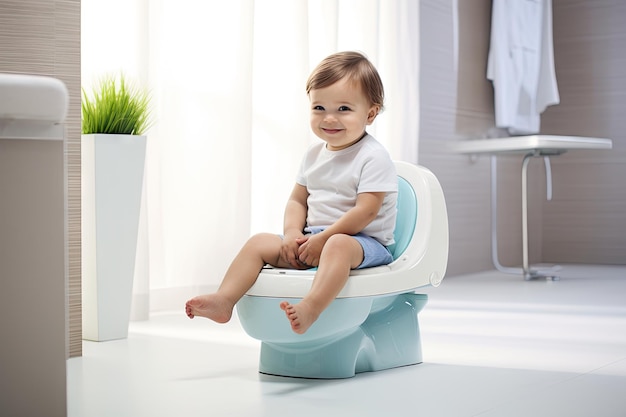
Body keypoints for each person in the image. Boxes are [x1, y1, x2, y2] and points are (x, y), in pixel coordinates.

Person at [185, 51, 397, 335]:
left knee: (337, 245)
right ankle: (225, 300)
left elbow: (366, 211)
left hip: (362, 244)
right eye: (319, 108)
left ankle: (311, 307)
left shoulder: (373, 156)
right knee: (259, 242)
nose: (329, 118)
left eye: (344, 109)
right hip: (314, 240)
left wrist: (324, 239)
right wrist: (291, 234)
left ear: (370, 113)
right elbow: (298, 200)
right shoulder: (313, 155)